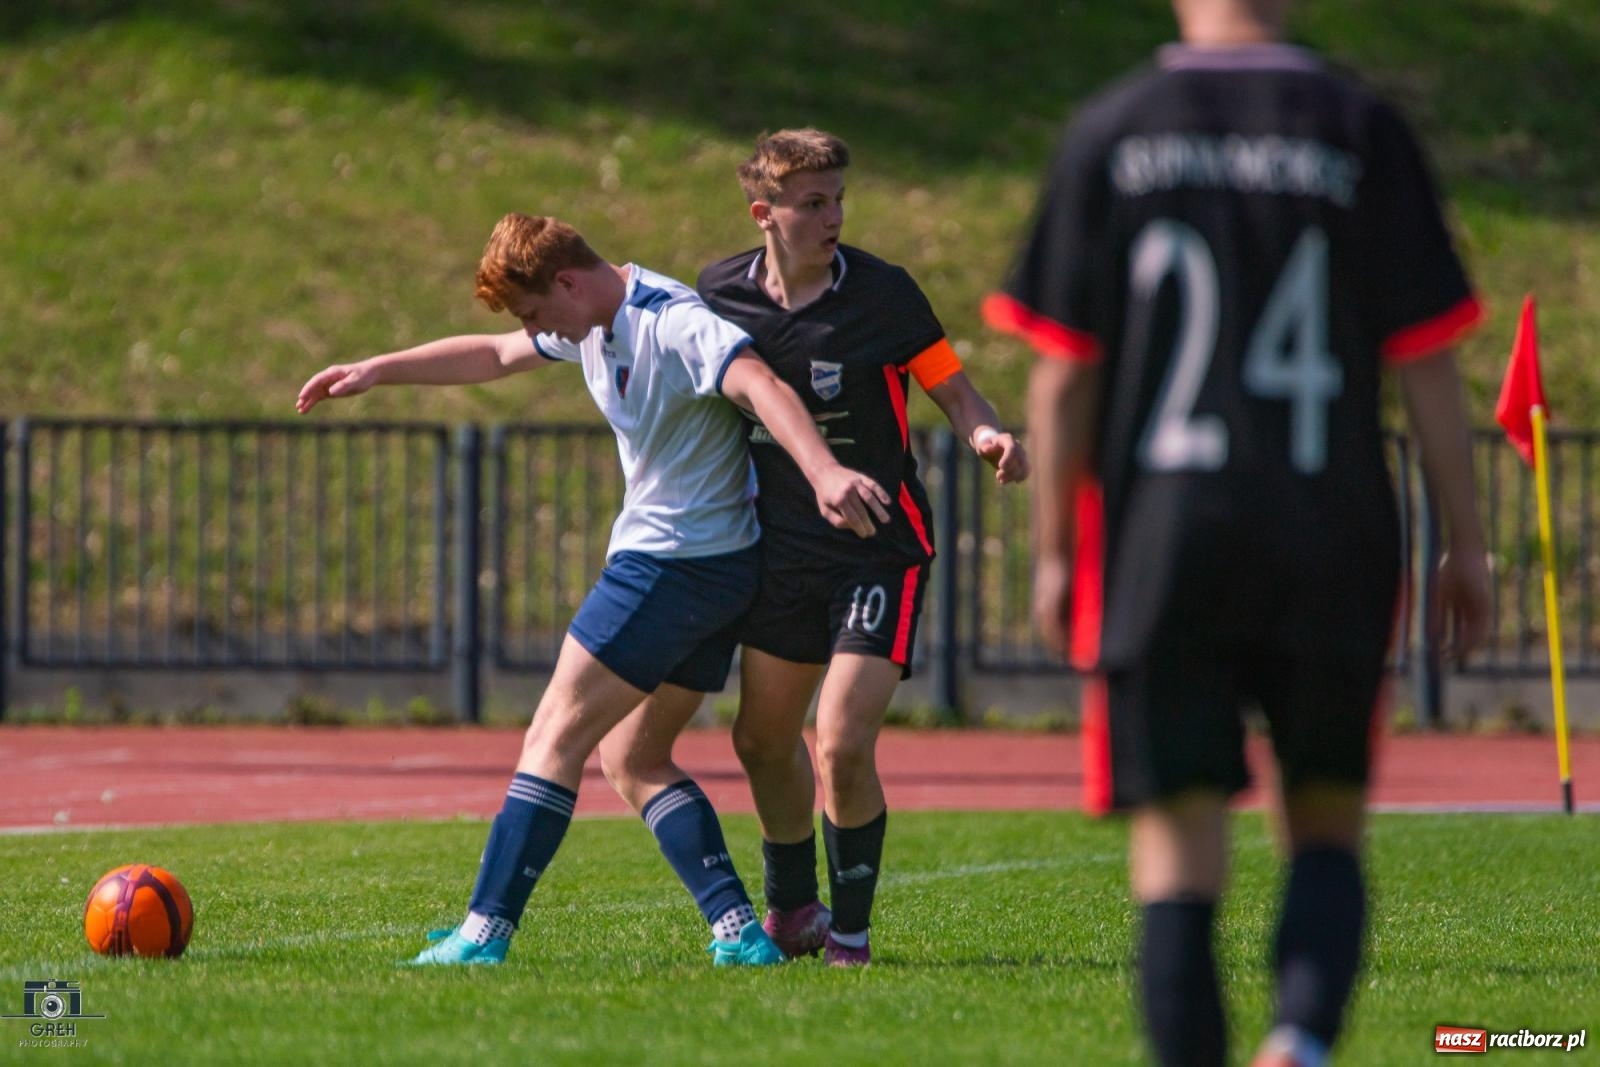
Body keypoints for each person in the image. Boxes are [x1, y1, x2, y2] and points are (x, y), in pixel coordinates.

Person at [986, 1, 1491, 1063]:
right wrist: (1465, 540)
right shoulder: (1359, 127)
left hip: (1162, 537)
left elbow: (1063, 371)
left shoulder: (1112, 131)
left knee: (1175, 846)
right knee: (1323, 817)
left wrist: (1052, 552)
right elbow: (1427, 360)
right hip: (1331, 529)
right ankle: (1298, 1040)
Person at [296, 212, 894, 967]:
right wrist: (379, 368)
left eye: (536, 310)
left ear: (569, 282)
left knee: (554, 734)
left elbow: (760, 382)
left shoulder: (667, 320)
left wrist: (824, 472)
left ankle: (483, 933)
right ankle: (740, 931)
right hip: (711, 565)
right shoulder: (595, 318)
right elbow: (492, 354)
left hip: (670, 565)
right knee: (634, 754)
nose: (534, 327)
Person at [597, 128, 1029, 967]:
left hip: (879, 547)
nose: (834, 216)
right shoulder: (719, 292)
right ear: (766, 213)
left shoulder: (884, 294)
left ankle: (851, 938)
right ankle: (794, 909)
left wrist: (988, 435)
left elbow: (953, 384)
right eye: (813, 203)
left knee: (838, 739)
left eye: (839, 199)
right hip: (780, 551)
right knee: (762, 739)